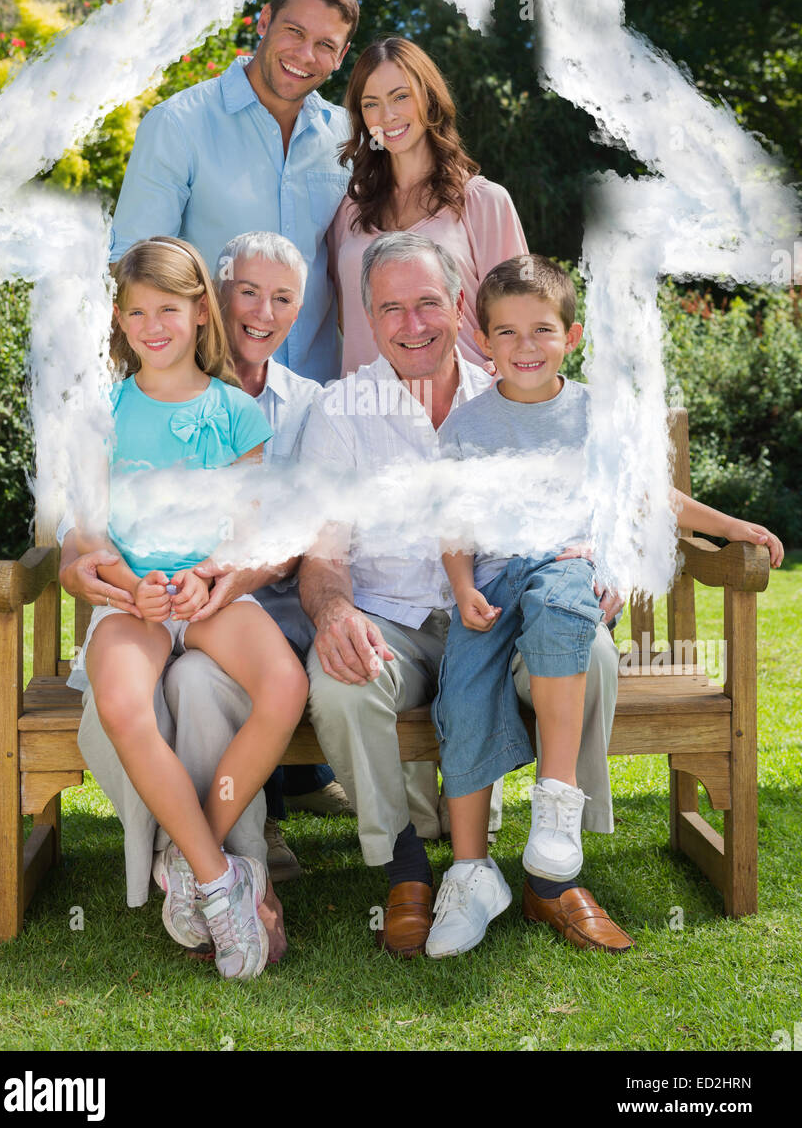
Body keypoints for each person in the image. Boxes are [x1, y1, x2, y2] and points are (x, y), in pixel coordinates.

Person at [426, 253, 785, 959]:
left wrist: (734, 528)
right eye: (506, 333)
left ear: (573, 334)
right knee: (463, 687)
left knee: (565, 597)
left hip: (570, 571)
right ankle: (471, 874)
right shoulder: (467, 428)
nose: (525, 348)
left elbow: (653, 498)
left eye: (541, 331)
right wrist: (463, 586)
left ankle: (556, 806)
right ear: (482, 338)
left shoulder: (596, 415)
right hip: (496, 586)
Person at [297, 232, 624, 958]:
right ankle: (406, 870)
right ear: (370, 318)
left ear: (457, 307)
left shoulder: (517, 376)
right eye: (391, 309)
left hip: (509, 611)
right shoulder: (340, 411)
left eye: (427, 303)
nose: (412, 324)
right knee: (345, 681)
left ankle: (553, 871)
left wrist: (603, 565)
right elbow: (322, 550)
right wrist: (336, 608)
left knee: (592, 654)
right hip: (397, 621)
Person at [73, 235, 308, 981]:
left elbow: (247, 527)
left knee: (285, 685)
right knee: (120, 700)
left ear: (200, 313)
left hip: (206, 598)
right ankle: (219, 881)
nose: (153, 326)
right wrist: (121, 579)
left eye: (168, 309)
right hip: (134, 602)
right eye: (137, 312)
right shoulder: (101, 412)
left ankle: (194, 850)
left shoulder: (234, 412)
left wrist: (212, 574)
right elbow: (84, 529)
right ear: (118, 318)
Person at [109, 0, 360, 384]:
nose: (304, 55)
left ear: (341, 55)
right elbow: (134, 271)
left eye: (324, 45)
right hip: (208, 399)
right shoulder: (177, 124)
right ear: (264, 20)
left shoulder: (348, 138)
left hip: (316, 400)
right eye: (294, 31)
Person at [213, 230, 353, 884]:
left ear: (299, 311)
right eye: (248, 292)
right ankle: (245, 818)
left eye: (282, 299)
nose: (262, 313)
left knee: (267, 636)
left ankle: (266, 807)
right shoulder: (174, 389)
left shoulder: (308, 405)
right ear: (219, 293)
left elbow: (313, 523)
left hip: (279, 599)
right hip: (196, 600)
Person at [328, 36, 528, 375]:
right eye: (371, 103)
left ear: (430, 100)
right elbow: (348, 319)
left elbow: (521, 319)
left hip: (460, 413)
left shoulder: (483, 202)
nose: (387, 116)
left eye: (401, 96)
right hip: (368, 414)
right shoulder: (350, 210)